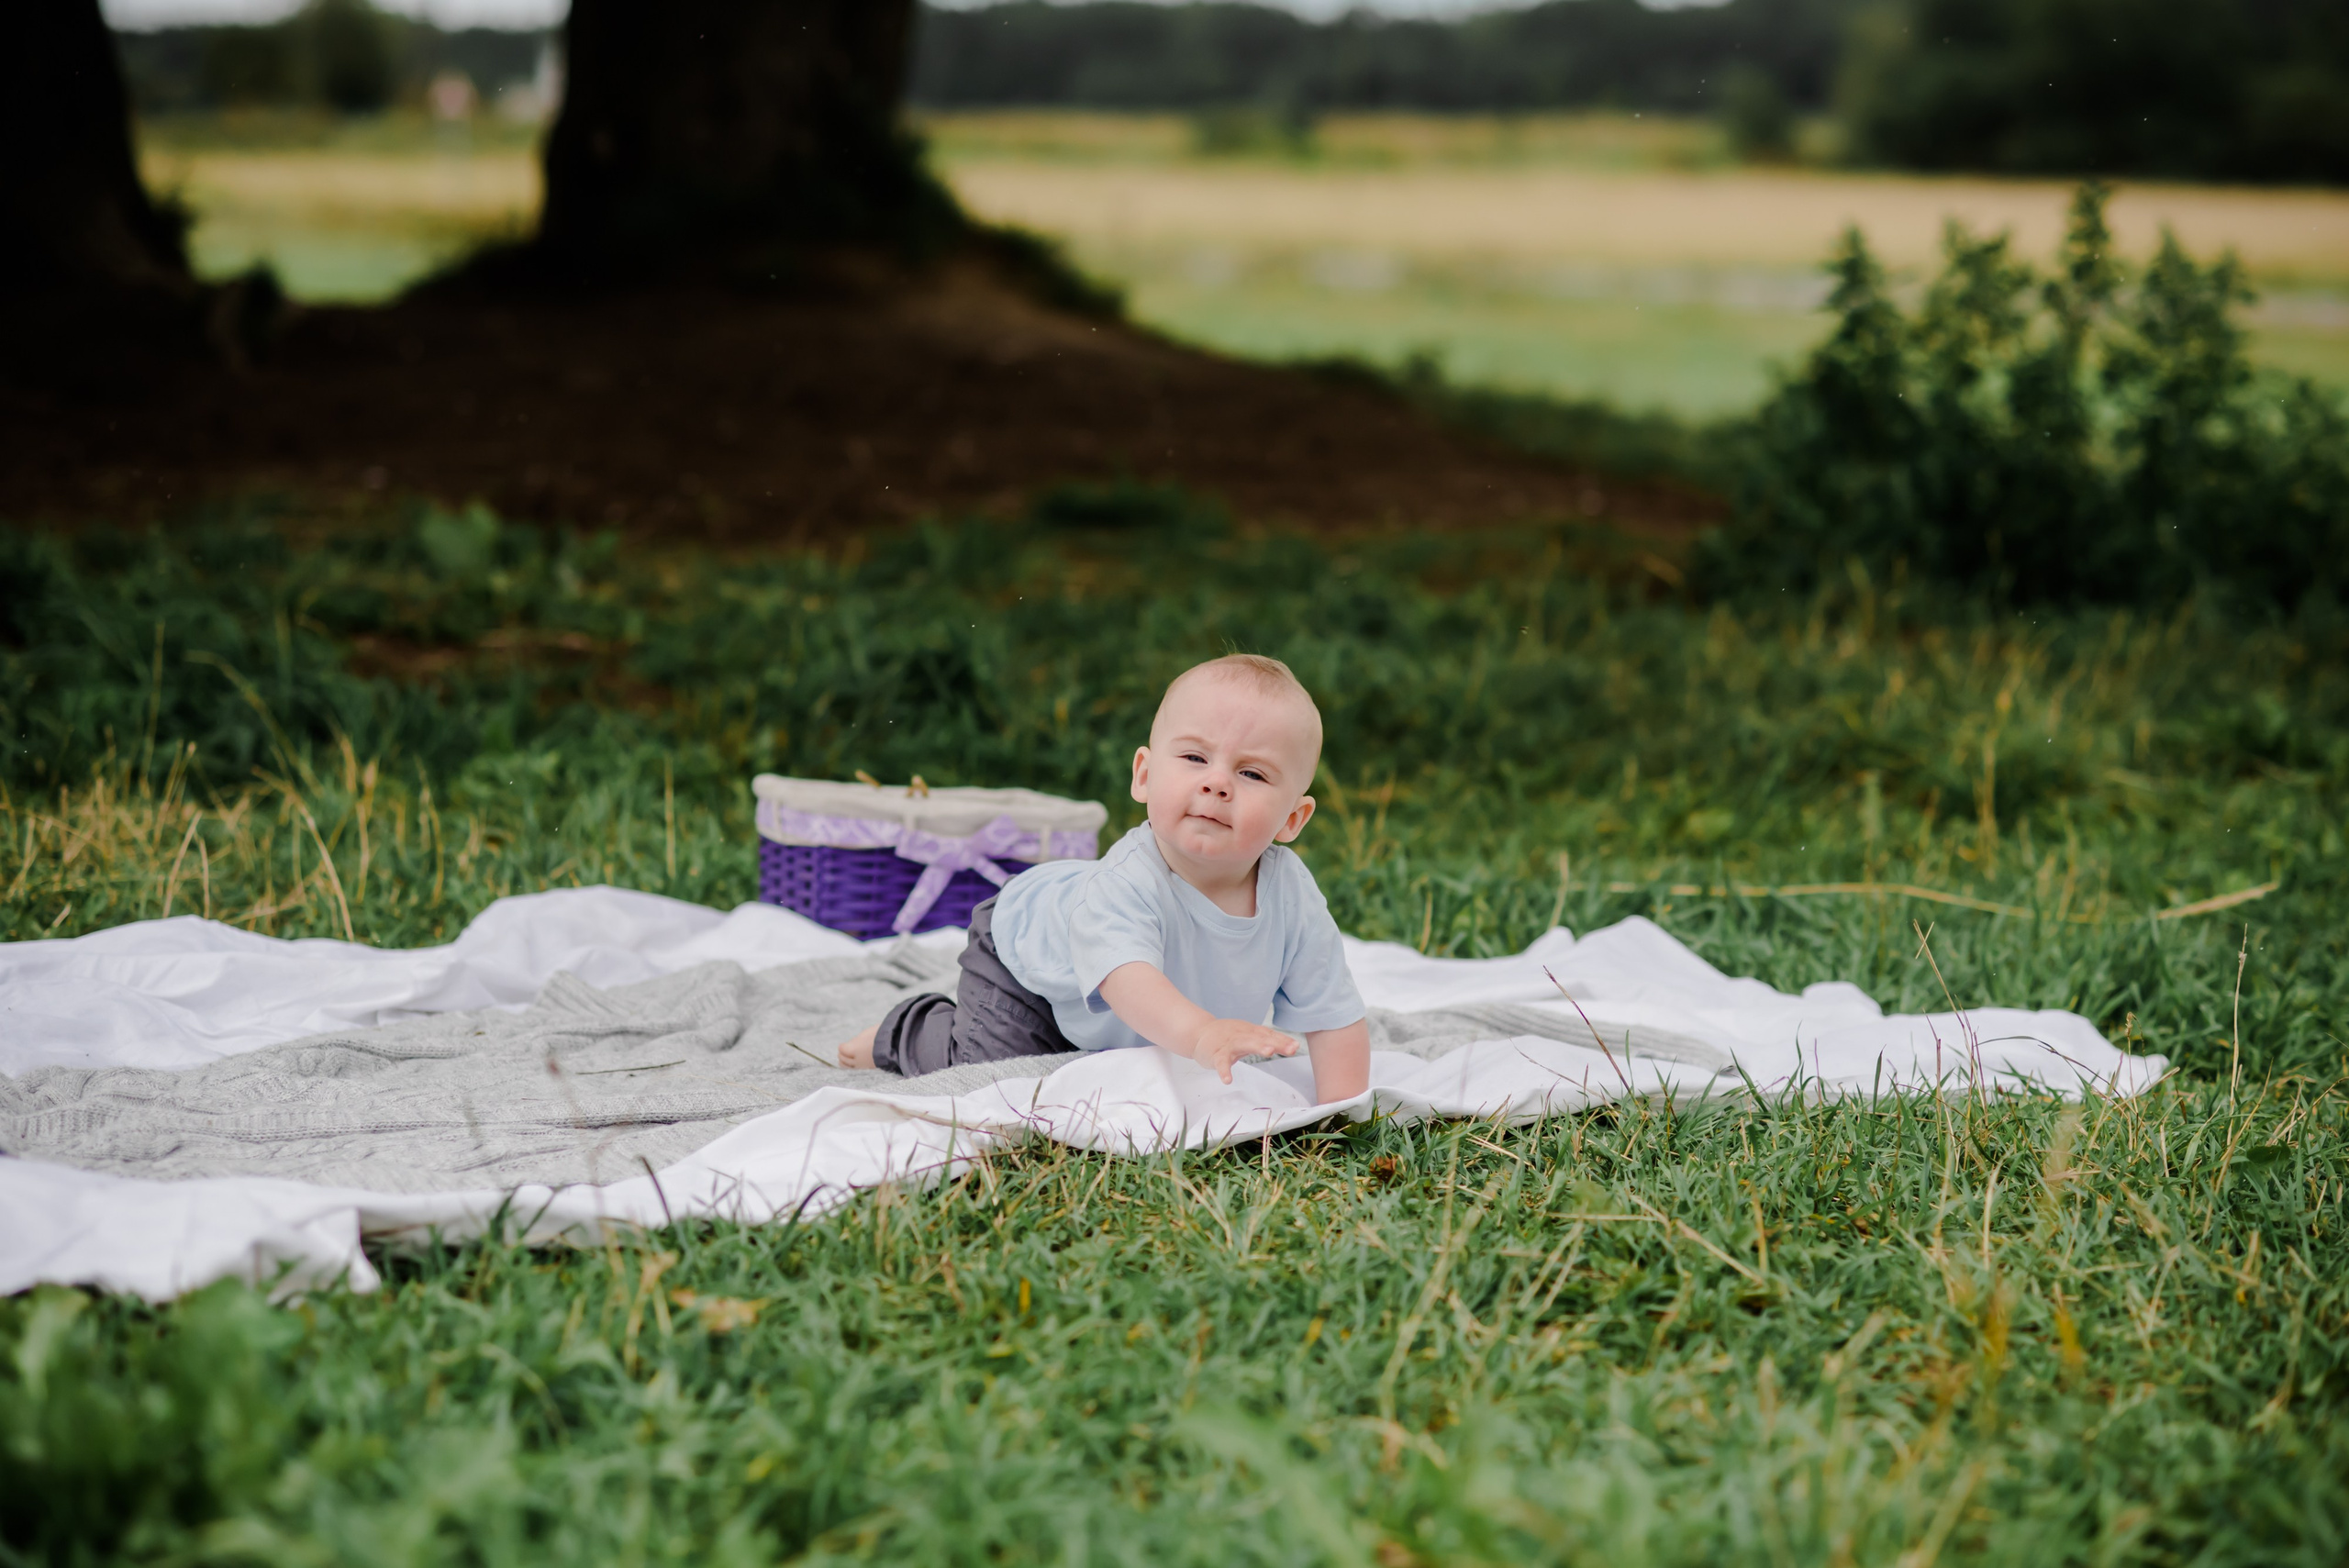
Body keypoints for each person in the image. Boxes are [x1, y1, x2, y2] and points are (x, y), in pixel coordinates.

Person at [837, 653, 1371, 1104]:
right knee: (998, 1077)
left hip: (1121, 1015)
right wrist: (1204, 1033)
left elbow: (1333, 1012)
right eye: (1194, 757)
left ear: (1293, 820)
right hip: (1025, 966)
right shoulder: (1130, 881)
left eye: (1251, 773)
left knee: (1089, 1067)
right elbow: (1129, 980)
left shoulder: (1291, 896)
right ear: (1144, 775)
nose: (1216, 784)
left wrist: (1342, 1114)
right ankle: (908, 1028)